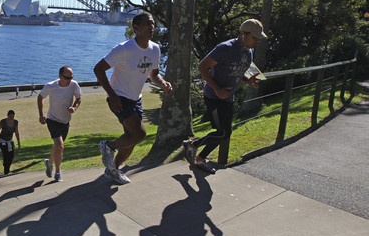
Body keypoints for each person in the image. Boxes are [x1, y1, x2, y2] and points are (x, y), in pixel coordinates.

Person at [94, 12, 173, 185]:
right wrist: (112, 96)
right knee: (139, 134)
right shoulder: (123, 49)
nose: (151, 27)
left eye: (152, 24)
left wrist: (163, 83)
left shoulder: (155, 49)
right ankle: (108, 146)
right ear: (136, 28)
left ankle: (113, 170)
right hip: (119, 97)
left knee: (131, 139)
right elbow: (98, 69)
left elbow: (154, 75)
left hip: (136, 98)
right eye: (147, 24)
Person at [183, 19, 266, 169]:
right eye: (254, 37)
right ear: (243, 34)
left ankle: (199, 158)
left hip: (228, 98)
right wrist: (217, 89)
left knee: (224, 133)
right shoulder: (225, 48)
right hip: (214, 97)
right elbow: (202, 66)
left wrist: (249, 81)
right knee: (223, 133)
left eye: (259, 37)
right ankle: (192, 145)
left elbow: (238, 71)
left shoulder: (249, 51)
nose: (257, 40)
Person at [37, 66, 82, 182]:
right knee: (60, 146)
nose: (69, 80)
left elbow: (78, 98)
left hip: (65, 121)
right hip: (52, 119)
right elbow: (40, 97)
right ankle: (58, 172)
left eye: (71, 77)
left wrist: (74, 107)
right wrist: (41, 115)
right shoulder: (51, 86)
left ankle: (49, 163)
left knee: (57, 147)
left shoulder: (74, 85)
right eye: (66, 77)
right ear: (60, 76)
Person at [0, 110, 21, 175]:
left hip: (10, 140)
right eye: (10, 117)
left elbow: (16, 132)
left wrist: (18, 142)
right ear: (7, 116)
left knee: (11, 156)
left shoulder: (16, 122)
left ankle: (7, 167)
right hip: (2, 140)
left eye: (12, 117)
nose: (11, 118)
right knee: (6, 155)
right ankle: (6, 170)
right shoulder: (3, 121)